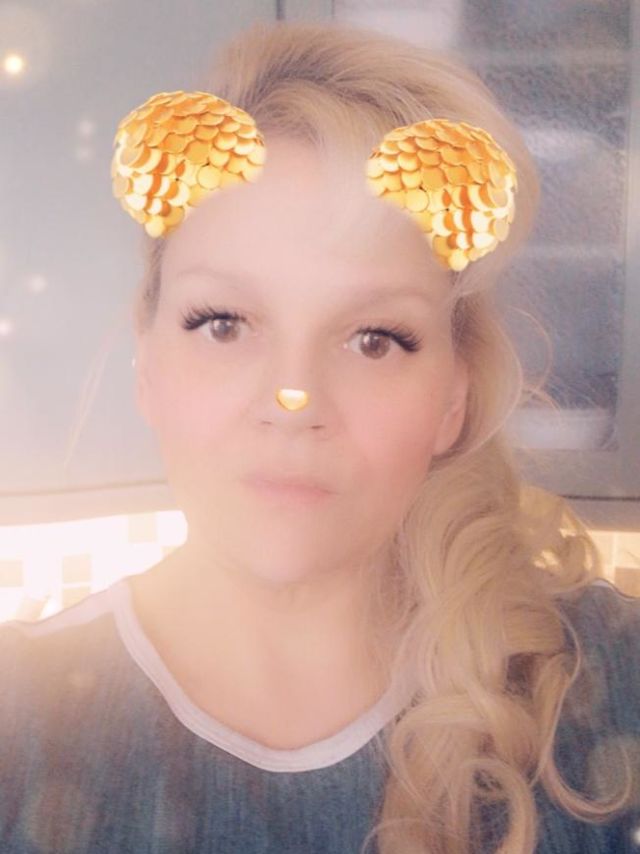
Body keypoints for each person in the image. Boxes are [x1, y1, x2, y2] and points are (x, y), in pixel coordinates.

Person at [1, 18, 639, 854]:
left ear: (453, 395)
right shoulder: (17, 717)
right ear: (147, 361)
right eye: (224, 323)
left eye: (374, 338)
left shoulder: (610, 683)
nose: (293, 399)